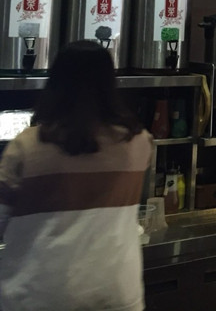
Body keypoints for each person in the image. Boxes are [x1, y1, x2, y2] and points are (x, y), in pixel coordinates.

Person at [0, 40, 153, 311]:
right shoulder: (140, 143)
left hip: (40, 297)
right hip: (118, 294)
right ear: (109, 85)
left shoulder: (27, 147)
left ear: (56, 84)